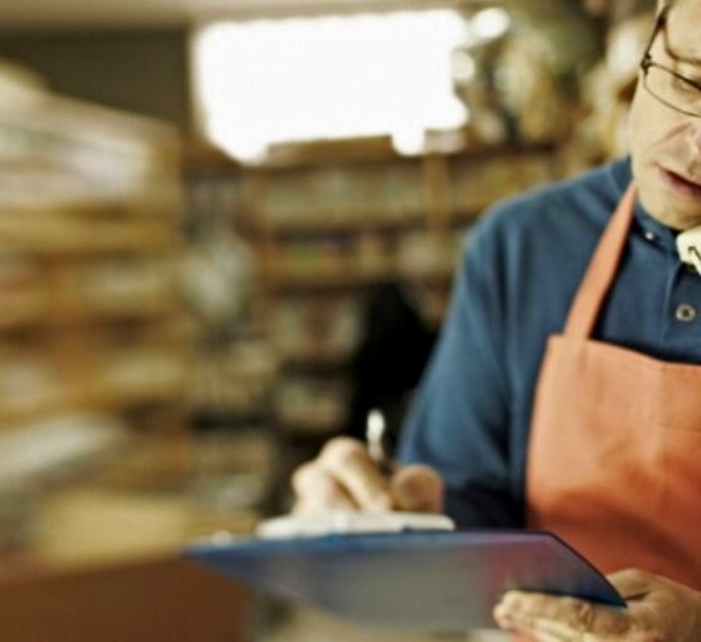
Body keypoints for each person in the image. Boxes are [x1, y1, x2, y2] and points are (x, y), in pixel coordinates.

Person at [289, 1, 701, 639]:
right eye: (688, 79)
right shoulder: (525, 246)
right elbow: (465, 496)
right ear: (650, 38)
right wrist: (391, 514)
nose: (696, 147)